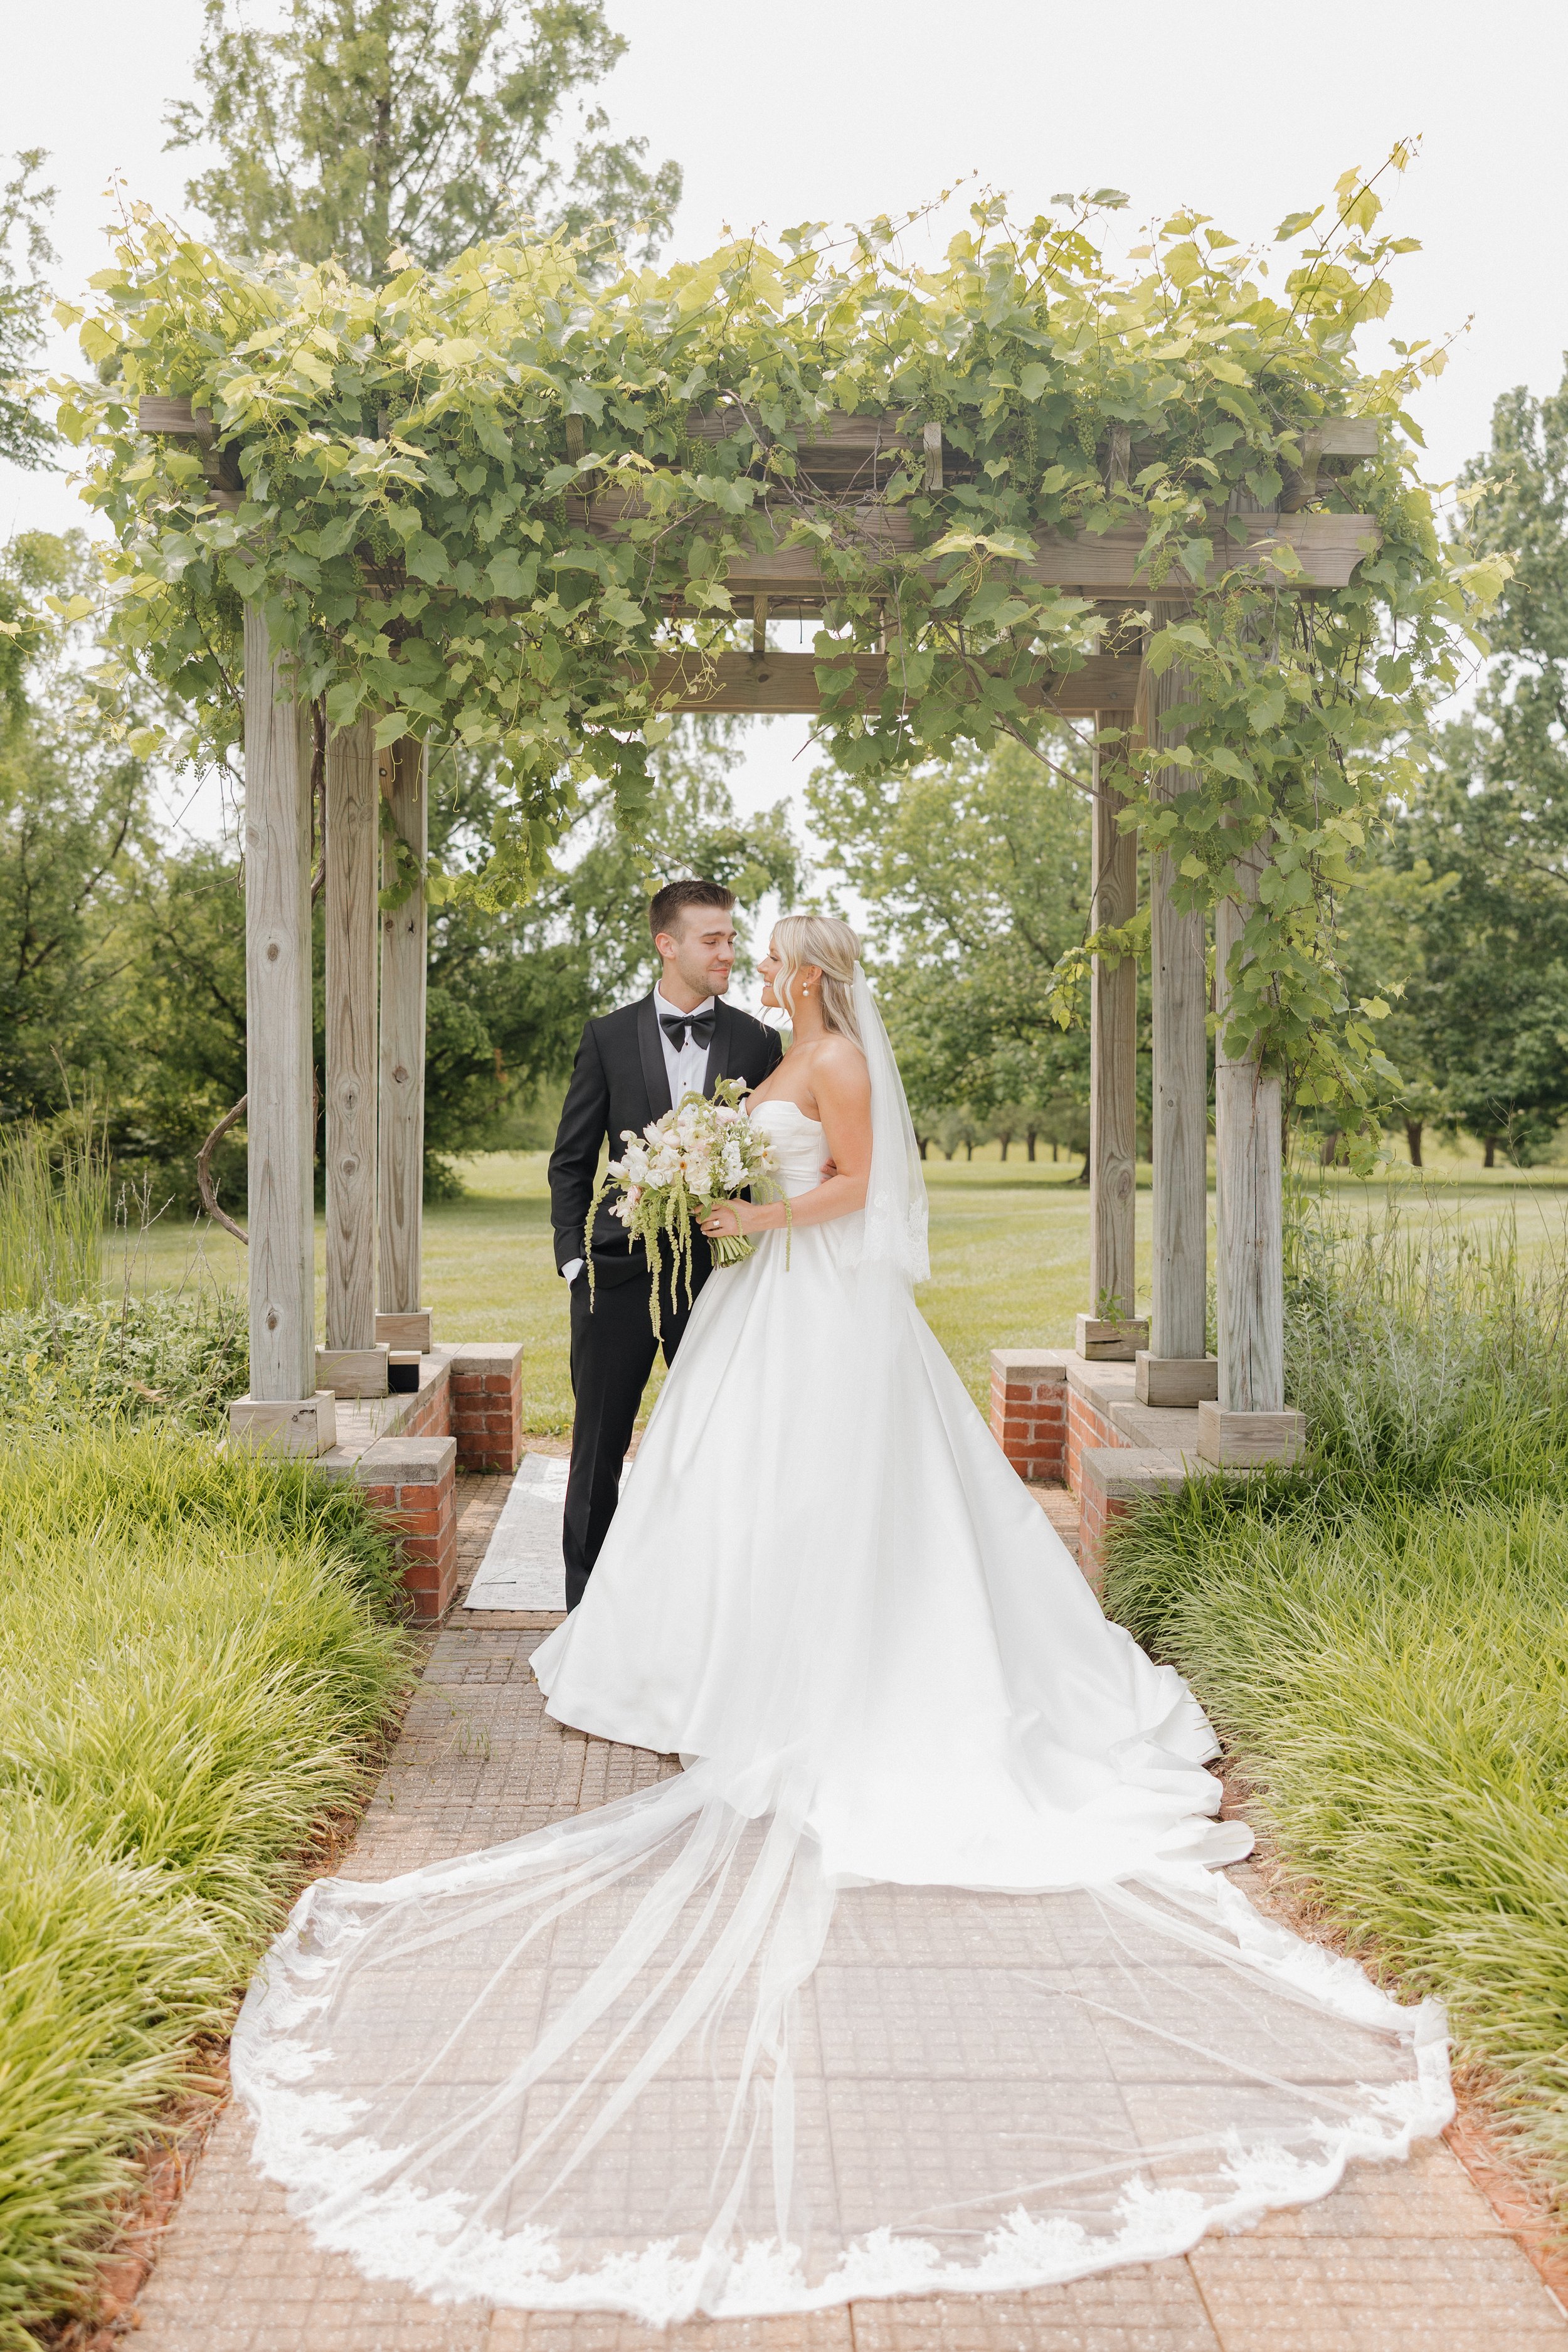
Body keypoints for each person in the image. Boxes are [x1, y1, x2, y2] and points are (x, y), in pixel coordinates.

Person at [233, 916, 1452, 2328]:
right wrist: (706, 1187)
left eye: (770, 962)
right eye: (738, 957)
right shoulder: (785, 1052)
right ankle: (704, 1650)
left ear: (808, 974)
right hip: (766, 1306)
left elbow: (861, 1191)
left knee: (821, 1495)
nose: (752, 975)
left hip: (820, 1306)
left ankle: (837, 1664)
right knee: (717, 1479)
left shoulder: (835, 1061)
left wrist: (746, 1212)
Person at [547, 877, 781, 1608]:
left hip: (719, 1280)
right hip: (614, 1276)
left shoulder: (756, 1039)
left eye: (732, 939)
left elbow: (772, 1159)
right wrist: (573, 1259)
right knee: (596, 1452)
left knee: (719, 1443)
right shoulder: (606, 1036)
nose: (727, 953)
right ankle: (586, 1611)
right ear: (667, 943)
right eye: (712, 939)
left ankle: (705, 1604)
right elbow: (570, 1158)